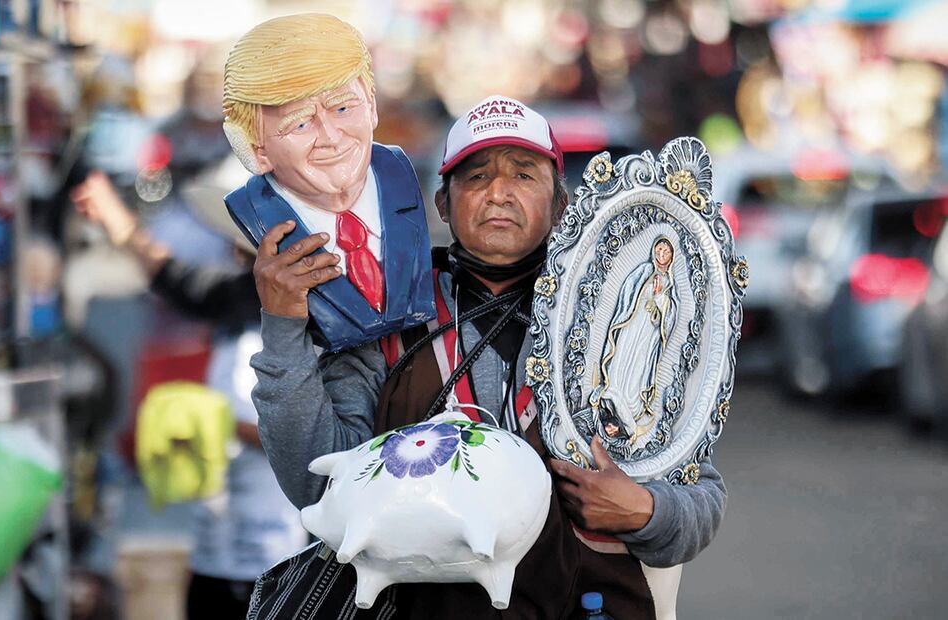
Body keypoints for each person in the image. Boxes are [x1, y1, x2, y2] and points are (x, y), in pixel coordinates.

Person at [250, 95, 726, 619]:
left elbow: (699, 495)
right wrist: (284, 324)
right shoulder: (385, 314)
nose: (498, 193)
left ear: (562, 203)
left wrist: (646, 512)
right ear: (442, 205)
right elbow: (316, 485)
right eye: (476, 177)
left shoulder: (615, 306)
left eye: (524, 175)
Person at [71, 163, 309, 619]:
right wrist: (117, 221)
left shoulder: (320, 312)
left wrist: (219, 423)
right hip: (219, 545)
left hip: (283, 549)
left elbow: (313, 434)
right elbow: (174, 278)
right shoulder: (241, 294)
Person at [221, 14, 435, 352]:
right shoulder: (263, 221)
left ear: (372, 106)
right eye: (301, 124)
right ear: (253, 149)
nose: (332, 138)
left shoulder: (409, 186)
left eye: (342, 108)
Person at [588, 237, 680, 450]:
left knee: (638, 370)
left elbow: (670, 318)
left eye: (666, 252)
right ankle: (612, 393)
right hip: (632, 326)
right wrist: (642, 299)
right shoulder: (643, 272)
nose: (662, 254)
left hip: (648, 334)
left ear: (672, 257)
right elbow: (628, 294)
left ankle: (630, 409)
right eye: (659, 249)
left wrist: (660, 300)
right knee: (621, 360)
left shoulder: (669, 285)